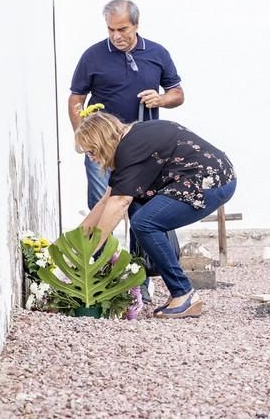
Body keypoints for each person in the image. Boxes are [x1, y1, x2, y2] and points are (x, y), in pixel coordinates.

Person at [75, 112, 236, 318]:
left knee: (144, 222)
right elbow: (106, 201)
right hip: (203, 176)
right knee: (140, 212)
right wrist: (75, 241)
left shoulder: (130, 148)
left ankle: (184, 293)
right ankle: (176, 292)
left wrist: (91, 249)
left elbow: (120, 202)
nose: (92, 158)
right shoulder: (131, 142)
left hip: (212, 181)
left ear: (102, 141)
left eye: (91, 151)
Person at [68, 0, 185, 210]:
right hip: (101, 144)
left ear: (136, 24)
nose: (116, 36)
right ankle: (99, 245)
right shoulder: (92, 55)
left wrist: (161, 99)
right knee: (100, 206)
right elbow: (76, 99)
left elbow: (177, 94)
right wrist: (83, 139)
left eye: (122, 29)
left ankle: (137, 245)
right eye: (110, 29)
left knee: (142, 207)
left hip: (144, 146)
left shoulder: (158, 53)